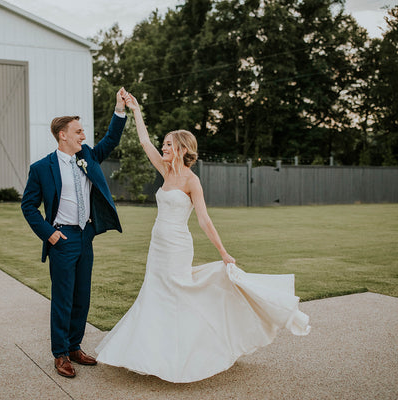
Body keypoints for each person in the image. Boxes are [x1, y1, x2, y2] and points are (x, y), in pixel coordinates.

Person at [95, 93, 311, 383]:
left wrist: (223, 252)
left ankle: (194, 350)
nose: (164, 147)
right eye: (165, 144)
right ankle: (156, 354)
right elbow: (145, 141)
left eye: (169, 144)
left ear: (182, 148)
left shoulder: (190, 180)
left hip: (177, 247)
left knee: (178, 294)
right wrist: (136, 110)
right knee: (155, 294)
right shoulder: (164, 170)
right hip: (157, 246)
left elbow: (204, 219)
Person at [21, 88, 128, 378]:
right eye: (79, 131)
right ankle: (60, 355)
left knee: (82, 296)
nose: (83, 136)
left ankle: (74, 347)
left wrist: (119, 109)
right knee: (63, 297)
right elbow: (28, 206)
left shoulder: (88, 156)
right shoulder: (42, 168)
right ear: (63, 135)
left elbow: (112, 139)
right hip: (62, 239)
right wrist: (49, 234)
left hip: (85, 236)